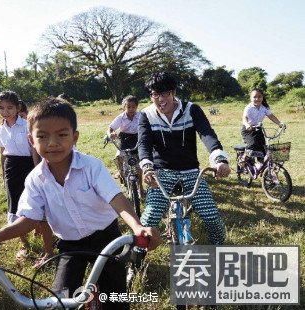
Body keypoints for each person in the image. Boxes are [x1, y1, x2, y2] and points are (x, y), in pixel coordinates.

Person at [0, 98, 161, 310]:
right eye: (42, 136)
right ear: (31, 141)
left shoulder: (91, 166)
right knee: (60, 300)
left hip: (105, 238)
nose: (52, 143)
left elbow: (116, 198)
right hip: (69, 245)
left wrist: (137, 226)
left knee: (114, 299)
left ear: (75, 137)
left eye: (62, 135)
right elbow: (30, 219)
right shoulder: (35, 179)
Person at [136, 71, 230, 258]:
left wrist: (219, 159)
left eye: (165, 94)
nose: (160, 99)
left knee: (211, 216)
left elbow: (207, 134)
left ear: (173, 92)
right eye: (155, 94)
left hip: (191, 171)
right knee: (149, 218)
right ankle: (136, 257)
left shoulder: (191, 109)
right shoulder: (146, 114)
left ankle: (220, 247)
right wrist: (147, 167)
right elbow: (144, 144)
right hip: (162, 172)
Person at [0, 90, 42, 260]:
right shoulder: (0, 129)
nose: (5, 111)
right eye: (1, 108)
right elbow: (2, 152)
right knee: (15, 203)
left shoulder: (27, 124)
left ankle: (38, 226)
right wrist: (3, 172)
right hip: (11, 167)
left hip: (28, 164)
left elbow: (34, 148)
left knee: (33, 198)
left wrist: (37, 168)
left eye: (9, 107)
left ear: (17, 107)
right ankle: (23, 242)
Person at [106, 95, 144, 194]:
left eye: (133, 107)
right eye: (128, 107)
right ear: (124, 107)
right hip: (124, 140)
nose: (131, 109)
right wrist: (111, 133)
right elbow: (110, 128)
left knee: (139, 166)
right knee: (118, 157)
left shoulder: (140, 116)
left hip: (137, 139)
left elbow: (146, 127)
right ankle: (121, 173)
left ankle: (141, 188)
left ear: (136, 107)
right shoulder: (120, 117)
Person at [241, 88, 286, 165]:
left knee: (263, 148)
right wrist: (247, 125)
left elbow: (271, 116)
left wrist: (280, 124)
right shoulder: (248, 107)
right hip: (248, 130)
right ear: (250, 98)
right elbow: (244, 118)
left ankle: (263, 167)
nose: (257, 99)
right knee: (253, 144)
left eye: (259, 96)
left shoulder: (264, 107)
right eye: (254, 97)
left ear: (262, 97)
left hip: (258, 129)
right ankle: (243, 158)